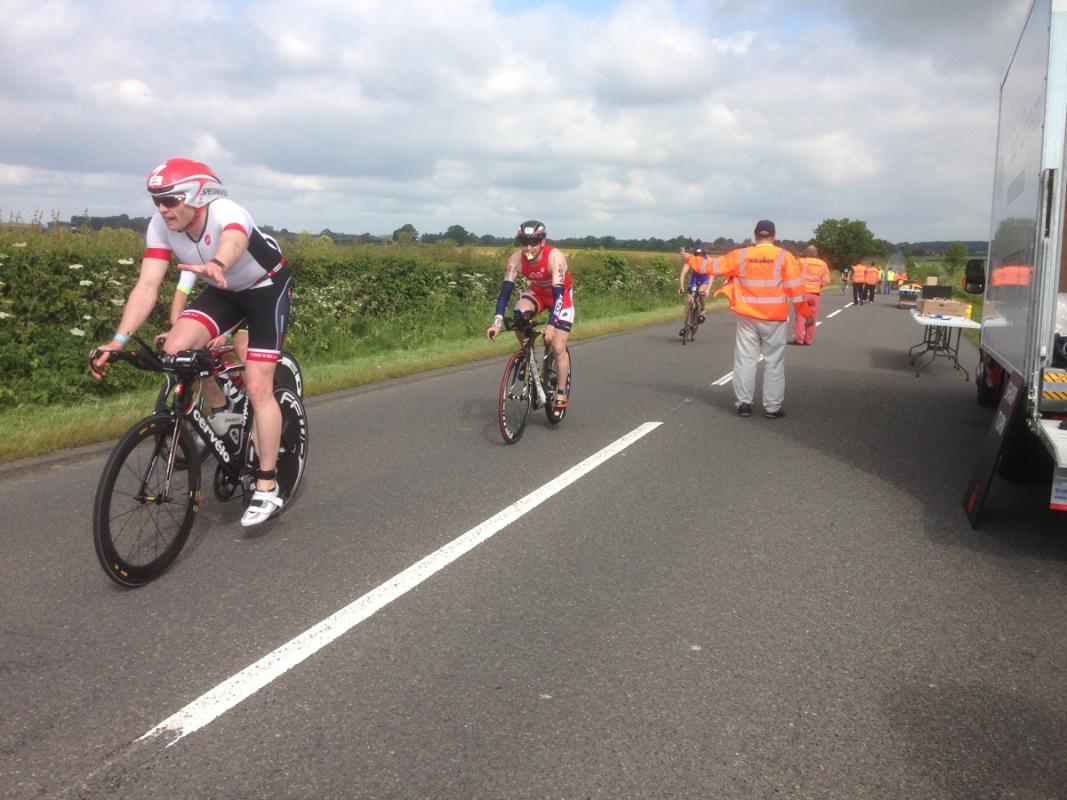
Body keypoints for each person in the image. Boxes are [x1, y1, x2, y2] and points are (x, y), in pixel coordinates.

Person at [91, 158, 293, 527]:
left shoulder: (226, 211)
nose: (162, 209)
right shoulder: (160, 226)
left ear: (198, 195)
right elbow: (147, 286)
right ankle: (221, 407)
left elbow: (234, 238)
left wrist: (217, 262)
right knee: (174, 351)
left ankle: (267, 484)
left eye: (170, 200)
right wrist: (118, 341)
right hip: (225, 290)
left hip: (266, 288)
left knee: (259, 386)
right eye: (156, 200)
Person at [694, 219, 811, 418]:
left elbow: (712, 266)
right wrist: (805, 314)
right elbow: (796, 291)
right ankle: (772, 408)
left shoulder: (741, 255)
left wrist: (689, 258)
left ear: (756, 235)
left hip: (747, 316)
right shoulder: (784, 257)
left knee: (745, 360)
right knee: (774, 362)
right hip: (774, 318)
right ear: (773, 235)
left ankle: (744, 405)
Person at [486, 220, 574, 412]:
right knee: (519, 315)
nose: (528, 247)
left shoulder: (554, 258)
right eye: (524, 242)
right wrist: (497, 322)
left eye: (533, 242)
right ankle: (528, 354)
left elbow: (559, 295)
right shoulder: (515, 260)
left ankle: (561, 390)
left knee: (558, 347)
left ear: (543, 241)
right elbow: (505, 293)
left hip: (561, 296)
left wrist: (552, 325)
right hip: (538, 293)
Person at [792, 245, 831, 345]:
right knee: (812, 317)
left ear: (806, 253)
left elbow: (791, 275)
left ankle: (799, 339)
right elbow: (826, 280)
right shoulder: (822, 264)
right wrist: (818, 287)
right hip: (815, 294)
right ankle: (808, 340)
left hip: (801, 293)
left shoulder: (800, 262)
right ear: (816, 253)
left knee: (800, 317)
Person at [678, 245, 711, 335]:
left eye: (700, 255)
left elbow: (712, 275)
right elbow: (683, 273)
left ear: (703, 255)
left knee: (701, 292)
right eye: (697, 255)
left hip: (704, 278)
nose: (698, 257)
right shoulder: (691, 260)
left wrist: (707, 289)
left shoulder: (708, 261)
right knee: (688, 301)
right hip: (694, 278)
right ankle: (684, 325)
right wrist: (681, 286)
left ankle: (703, 309)